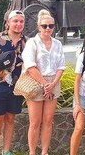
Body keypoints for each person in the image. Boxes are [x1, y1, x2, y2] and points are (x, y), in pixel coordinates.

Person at [0, 10, 27, 155]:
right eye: (15, 21)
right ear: (8, 22)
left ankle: (6, 150)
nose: (18, 24)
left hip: (17, 87)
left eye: (21, 21)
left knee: (10, 118)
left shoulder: (26, 41)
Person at [22, 9, 65, 155]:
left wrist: (52, 84)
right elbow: (30, 66)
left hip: (53, 82)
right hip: (36, 82)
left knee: (48, 121)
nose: (48, 29)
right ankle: (32, 152)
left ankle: (44, 152)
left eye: (51, 26)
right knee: (35, 122)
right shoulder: (32, 43)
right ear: (39, 27)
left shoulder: (58, 44)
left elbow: (61, 66)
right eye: (45, 26)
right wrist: (44, 84)